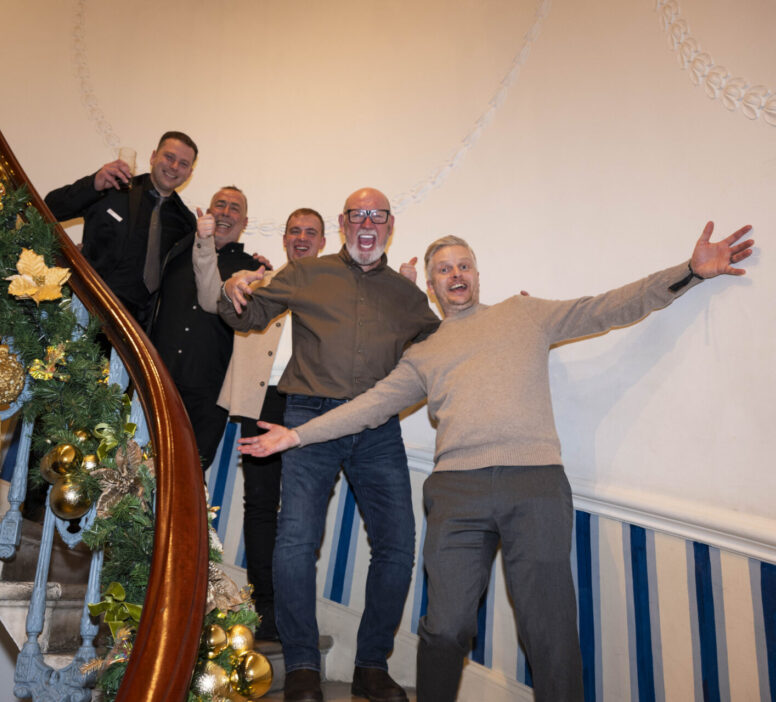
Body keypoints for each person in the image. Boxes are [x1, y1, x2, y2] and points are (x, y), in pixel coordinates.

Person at [238, 223, 755, 701]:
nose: (455, 275)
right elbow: (368, 407)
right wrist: (296, 435)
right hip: (455, 494)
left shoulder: (524, 314)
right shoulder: (424, 353)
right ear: (432, 288)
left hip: (535, 485)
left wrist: (689, 272)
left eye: (464, 265)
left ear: (478, 274)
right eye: (444, 269)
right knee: (444, 628)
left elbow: (607, 307)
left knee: (548, 628)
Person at [218, 188, 440, 702]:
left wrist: (490, 322)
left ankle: (371, 666)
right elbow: (247, 316)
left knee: (398, 546)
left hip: (377, 426)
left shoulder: (407, 296)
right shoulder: (306, 272)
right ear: (343, 223)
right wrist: (231, 287)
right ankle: (301, 666)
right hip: (308, 418)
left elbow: (442, 349)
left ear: (389, 226)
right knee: (296, 542)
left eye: (377, 216)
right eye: (358, 215)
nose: (367, 224)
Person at [193, 207, 328, 642]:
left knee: (304, 509)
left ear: (323, 242)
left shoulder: (333, 290)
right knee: (260, 503)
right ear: (285, 239)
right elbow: (215, 300)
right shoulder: (257, 282)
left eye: (311, 232)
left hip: (312, 405)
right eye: (295, 231)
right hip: (262, 400)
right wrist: (231, 280)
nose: (302, 238)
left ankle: (294, 607)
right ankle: (265, 606)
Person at [150, 186, 261, 468]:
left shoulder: (253, 272)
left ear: (245, 222)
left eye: (235, 208)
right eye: (220, 205)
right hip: (155, 380)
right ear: (208, 212)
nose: (225, 213)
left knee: (191, 472)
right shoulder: (176, 252)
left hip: (208, 395)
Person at [44, 131, 198, 329]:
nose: (174, 166)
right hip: (85, 307)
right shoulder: (112, 185)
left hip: (136, 328)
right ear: (153, 157)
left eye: (183, 164)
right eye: (169, 157)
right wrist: (93, 183)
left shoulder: (186, 223)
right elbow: (51, 209)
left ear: (189, 173)